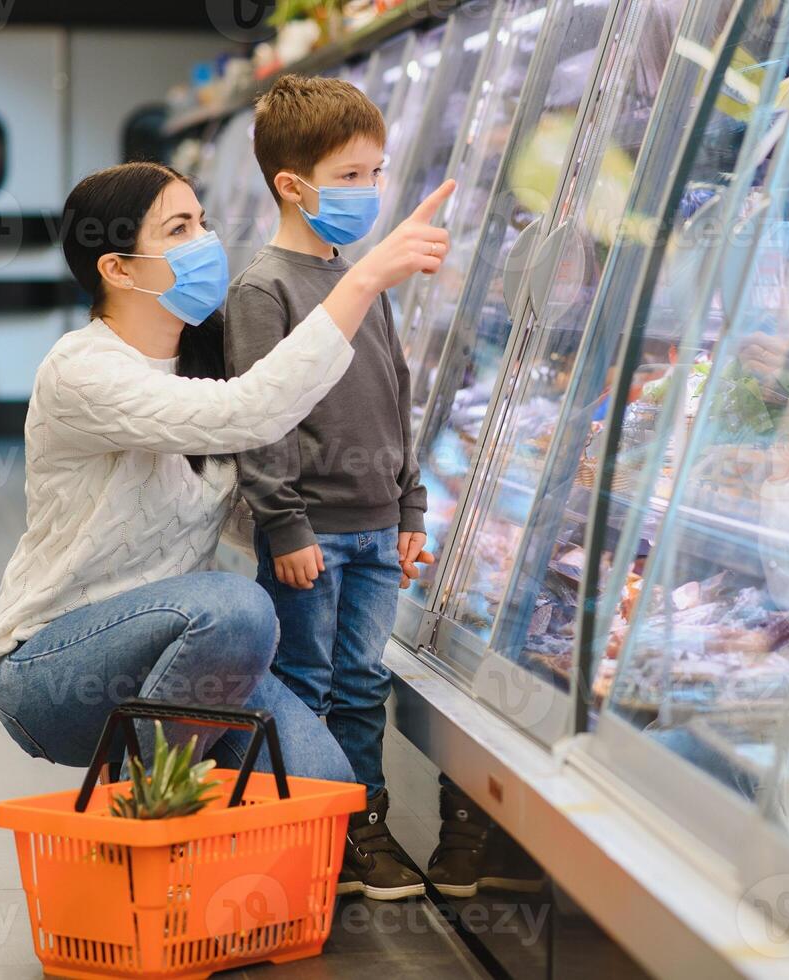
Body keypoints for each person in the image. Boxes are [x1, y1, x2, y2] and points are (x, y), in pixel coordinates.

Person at [0, 161, 452, 784]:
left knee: (324, 787)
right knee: (236, 607)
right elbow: (251, 412)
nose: (204, 241)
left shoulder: (207, 355)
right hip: (56, 669)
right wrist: (362, 279)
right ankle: (149, 809)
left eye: (201, 222)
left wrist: (376, 527)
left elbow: (244, 507)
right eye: (177, 229)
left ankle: (194, 823)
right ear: (117, 268)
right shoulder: (82, 371)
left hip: (186, 656)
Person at [224, 75, 439, 900]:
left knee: (362, 686)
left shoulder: (361, 281)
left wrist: (408, 503)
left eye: (378, 174)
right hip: (308, 534)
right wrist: (283, 525)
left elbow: (396, 390)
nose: (371, 191)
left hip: (377, 531)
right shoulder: (262, 289)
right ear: (293, 184)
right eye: (351, 176)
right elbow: (259, 417)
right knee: (303, 687)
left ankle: (363, 827)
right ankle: (307, 833)